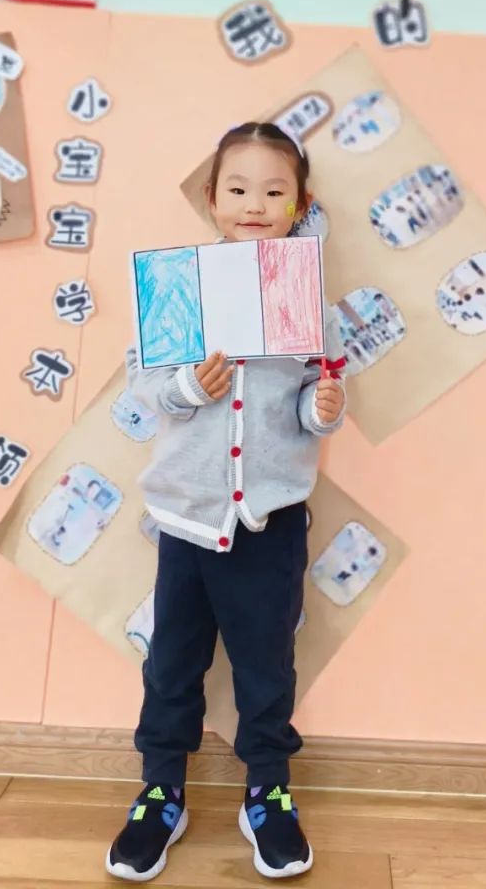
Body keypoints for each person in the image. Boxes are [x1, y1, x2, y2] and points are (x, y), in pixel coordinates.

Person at [106, 123, 346, 883]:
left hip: (269, 519)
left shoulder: (306, 295)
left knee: (266, 666)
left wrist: (323, 409)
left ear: (298, 203)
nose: (255, 204)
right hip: (186, 516)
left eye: (274, 191)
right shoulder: (178, 286)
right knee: (173, 661)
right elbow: (145, 383)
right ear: (212, 199)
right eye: (238, 189)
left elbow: (311, 394)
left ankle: (267, 791)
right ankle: (160, 791)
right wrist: (186, 387)